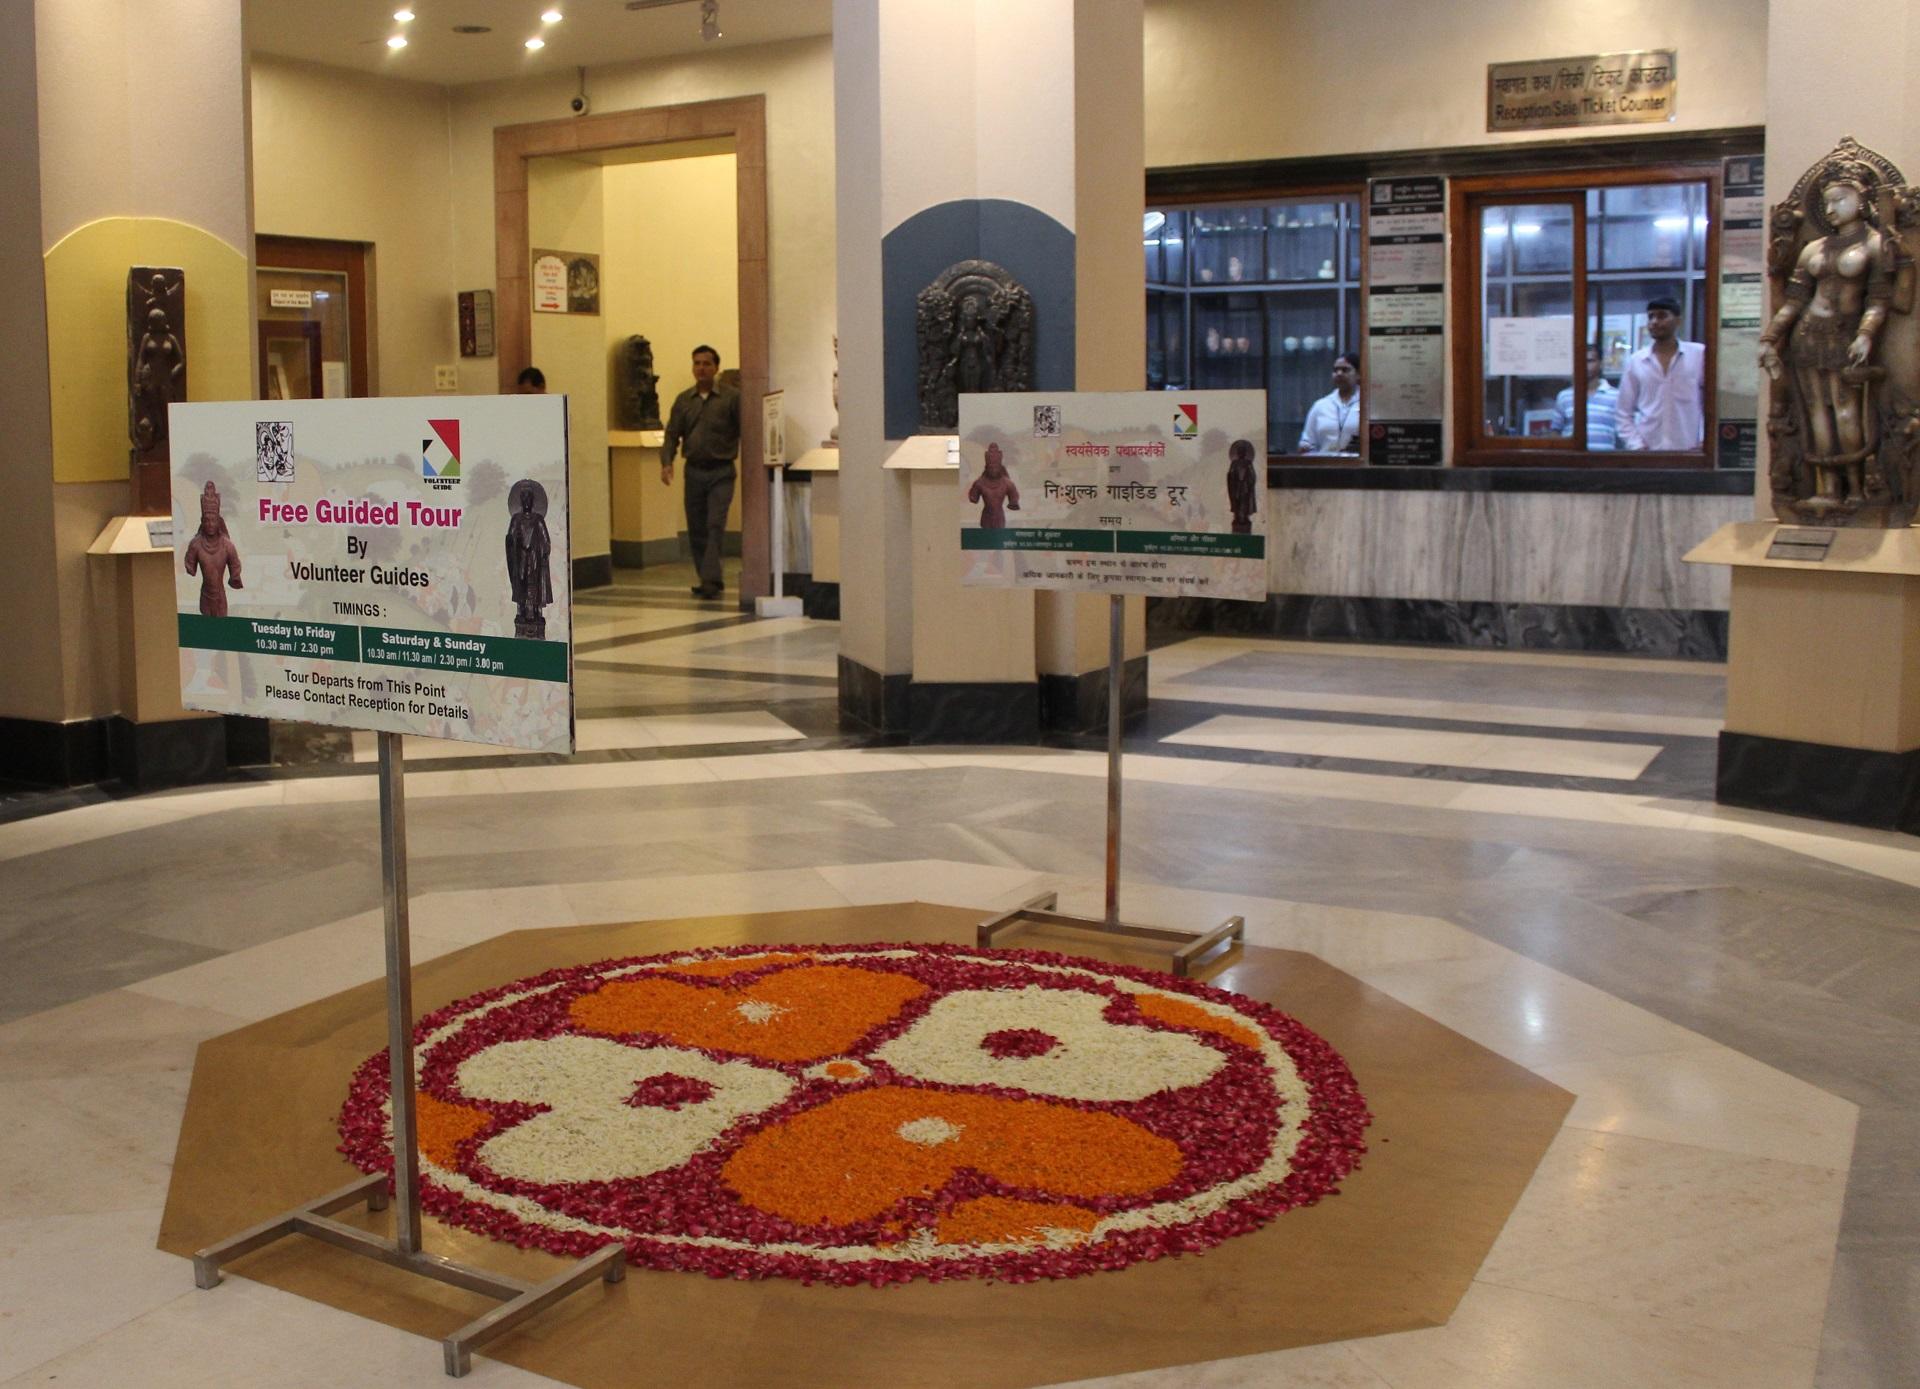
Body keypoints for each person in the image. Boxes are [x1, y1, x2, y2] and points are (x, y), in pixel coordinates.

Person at [1759, 165, 1895, 512]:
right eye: (1826, 203)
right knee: (1817, 412)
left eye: (1839, 200)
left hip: (1845, 337)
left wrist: (1865, 335)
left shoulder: (1876, 245)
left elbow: (1879, 300)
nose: (1831, 209)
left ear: (1861, 201)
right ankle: (1827, 487)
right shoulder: (1813, 249)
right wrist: (1771, 337)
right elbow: (1795, 302)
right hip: (1807, 337)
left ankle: (1855, 487)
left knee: (1847, 413)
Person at [661, 344, 742, 599]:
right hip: (694, 472)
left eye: (706, 364)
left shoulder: (731, 398)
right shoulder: (684, 400)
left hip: (721, 471)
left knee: (714, 524)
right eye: (697, 363)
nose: (701, 368)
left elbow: (744, 429)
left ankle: (710, 579)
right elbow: (673, 433)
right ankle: (707, 576)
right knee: (697, 527)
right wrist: (667, 462)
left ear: (716, 367)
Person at [1615, 297, 1705, 451]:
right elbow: (1623, 412)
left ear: (1678, 321)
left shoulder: (1699, 354)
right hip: (1648, 454)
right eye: (1651, 316)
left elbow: (1711, 403)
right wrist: (1636, 445)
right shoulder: (1636, 361)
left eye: (1662, 315)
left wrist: (1705, 442)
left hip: (1691, 452)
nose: (1655, 321)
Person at [183, 481, 243, 617]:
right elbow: (190, 568)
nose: (210, 524)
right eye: (207, 520)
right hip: (205, 597)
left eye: (213, 520)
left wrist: (235, 576)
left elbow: (235, 569)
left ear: (218, 521)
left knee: (220, 631)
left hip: (220, 598)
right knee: (207, 632)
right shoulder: (196, 545)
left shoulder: (227, 546)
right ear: (202, 521)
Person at [1550, 346, 1618, 450]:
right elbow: (1555, 431)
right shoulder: (1564, 396)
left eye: (1590, 361)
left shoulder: (1615, 396)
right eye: (1581, 361)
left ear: (1600, 363)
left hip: (1605, 461)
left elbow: (1623, 433)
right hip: (1572, 460)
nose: (1585, 365)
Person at [1297, 352, 1360, 453]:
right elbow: (1307, 441)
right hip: (1324, 465)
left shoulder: (1368, 405)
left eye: (1345, 370)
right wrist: (1304, 446)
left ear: (1358, 374)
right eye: (1335, 370)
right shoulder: (1320, 406)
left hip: (1356, 466)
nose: (1339, 374)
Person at [967, 442, 1020, 528]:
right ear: (986, 467)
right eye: (991, 467)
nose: (993, 470)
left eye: (996, 467)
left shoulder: (1007, 483)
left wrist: (1013, 502)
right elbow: (973, 498)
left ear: (1000, 467)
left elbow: (1014, 498)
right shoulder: (980, 483)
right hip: (985, 519)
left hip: (1000, 518)